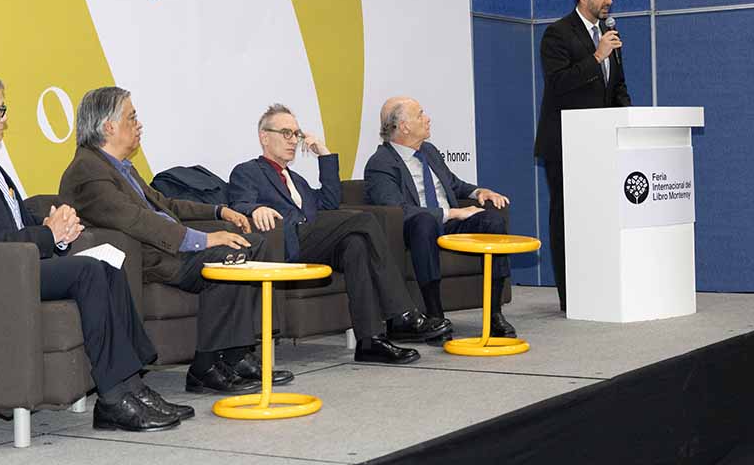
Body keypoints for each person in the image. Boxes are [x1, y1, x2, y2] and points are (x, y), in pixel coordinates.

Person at [0, 70, 183, 433]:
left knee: (109, 262)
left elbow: (14, 223)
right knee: (89, 271)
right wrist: (46, 234)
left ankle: (132, 385)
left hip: (15, 265)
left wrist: (57, 231)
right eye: (0, 109)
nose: (6, 118)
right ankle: (114, 397)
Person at [59, 87, 294, 395]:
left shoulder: (119, 167)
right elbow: (135, 219)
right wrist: (204, 240)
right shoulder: (88, 169)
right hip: (148, 257)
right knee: (230, 257)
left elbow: (166, 205)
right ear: (108, 127)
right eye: (132, 117)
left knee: (251, 244)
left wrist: (219, 209)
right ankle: (205, 367)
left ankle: (235, 355)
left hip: (167, 250)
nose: (139, 124)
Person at [228, 104, 451, 363]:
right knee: (364, 220)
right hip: (286, 243)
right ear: (264, 137)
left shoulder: (297, 180)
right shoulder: (248, 171)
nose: (293, 141)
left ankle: (370, 341)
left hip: (312, 242)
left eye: (296, 134)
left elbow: (330, 202)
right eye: (285, 133)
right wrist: (256, 208)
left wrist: (323, 153)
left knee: (355, 244)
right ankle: (402, 313)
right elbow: (239, 204)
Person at [364, 97, 517, 338]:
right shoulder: (380, 163)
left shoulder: (429, 152)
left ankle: (494, 314)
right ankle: (435, 315)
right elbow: (396, 209)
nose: (427, 118)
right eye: (420, 114)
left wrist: (479, 192)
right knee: (424, 222)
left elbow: (453, 184)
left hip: (450, 223)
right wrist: (451, 213)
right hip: (417, 231)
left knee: (492, 221)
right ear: (404, 126)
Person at [535, 0, 632, 311]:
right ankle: (570, 296)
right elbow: (558, 83)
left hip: (601, 147)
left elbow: (615, 87)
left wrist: (630, 121)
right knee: (567, 220)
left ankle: (599, 288)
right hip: (565, 147)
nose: (609, 0)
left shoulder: (609, 33)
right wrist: (596, 56)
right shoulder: (557, 35)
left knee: (598, 218)